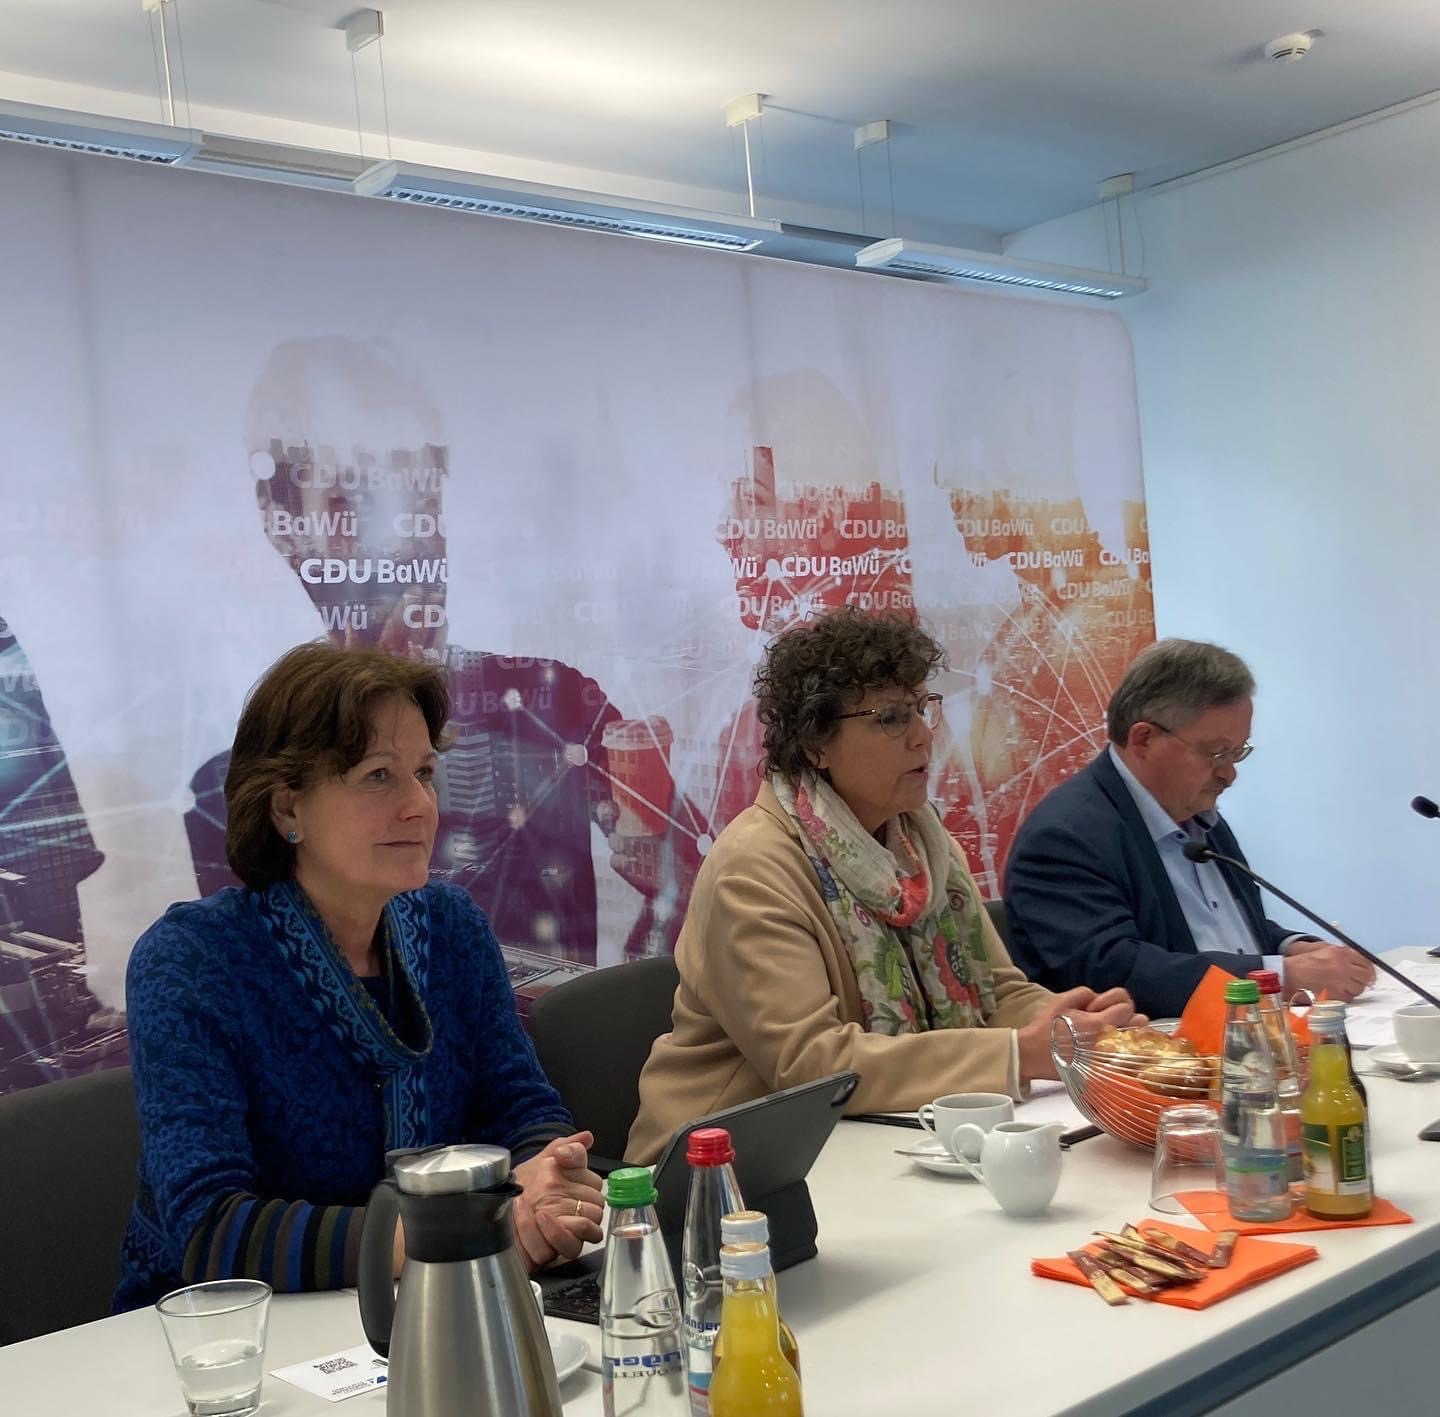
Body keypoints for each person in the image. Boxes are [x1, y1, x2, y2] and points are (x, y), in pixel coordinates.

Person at [115, 643, 604, 1311]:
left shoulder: (452, 927)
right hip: (226, 1338)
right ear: (287, 809)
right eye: (378, 776)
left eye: (424, 772)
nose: (420, 805)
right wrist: (463, 1230)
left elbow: (521, 1109)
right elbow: (210, 1228)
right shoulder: (191, 961)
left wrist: (547, 1183)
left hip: (432, 1300)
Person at [626, 608, 1142, 1164]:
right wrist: (1019, 1053)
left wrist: (1076, 1030)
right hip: (725, 1165)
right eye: (891, 718)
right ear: (815, 744)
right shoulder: (753, 869)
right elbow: (812, 1065)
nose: (923, 736)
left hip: (881, 1139)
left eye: (922, 708)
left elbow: (996, 995)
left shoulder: (923, 842)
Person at [1004, 638, 1376, 1020]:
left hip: (1246, 1033)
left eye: (1238, 752)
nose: (1229, 774)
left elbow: (1223, 933)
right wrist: (1279, 977)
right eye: (1216, 753)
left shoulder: (1196, 811)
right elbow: (1114, 971)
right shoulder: (1065, 837)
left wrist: (1290, 949)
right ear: (1144, 739)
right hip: (1152, 1046)